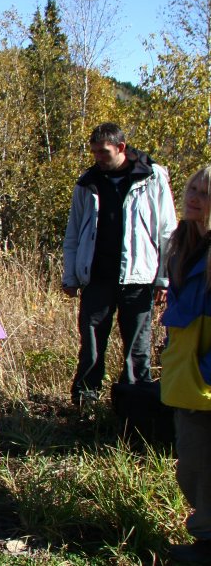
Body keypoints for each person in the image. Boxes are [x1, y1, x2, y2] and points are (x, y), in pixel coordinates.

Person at [63, 122, 177, 406]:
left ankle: (136, 407)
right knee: (90, 347)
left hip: (139, 278)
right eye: (94, 152)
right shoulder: (87, 182)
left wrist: (164, 278)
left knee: (137, 349)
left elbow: (167, 231)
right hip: (96, 278)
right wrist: (71, 275)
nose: (98, 158)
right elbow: (74, 233)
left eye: (104, 152)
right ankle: (85, 403)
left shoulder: (152, 177)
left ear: (121, 148)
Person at [160, 166, 211, 564]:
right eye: (192, 188)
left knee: (200, 466)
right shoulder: (184, 243)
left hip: (204, 379)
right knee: (190, 466)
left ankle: (206, 545)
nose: (193, 196)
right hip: (184, 375)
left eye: (204, 192)